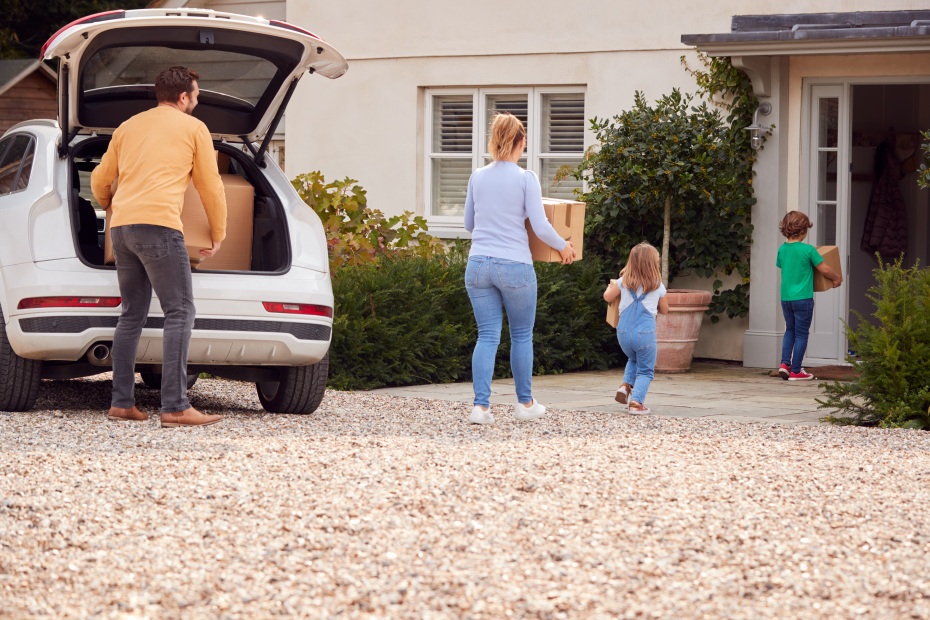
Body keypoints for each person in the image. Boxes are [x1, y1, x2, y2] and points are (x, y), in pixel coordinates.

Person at [91, 66, 227, 427]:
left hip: (120, 228)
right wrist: (219, 232)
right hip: (160, 228)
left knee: (131, 314)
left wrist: (107, 202)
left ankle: (122, 402)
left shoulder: (128, 126)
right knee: (180, 311)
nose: (197, 102)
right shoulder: (193, 129)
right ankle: (175, 406)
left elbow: (100, 178)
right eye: (195, 96)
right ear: (183, 97)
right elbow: (209, 184)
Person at [463, 112, 576, 425]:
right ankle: (525, 404)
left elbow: (469, 224)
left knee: (486, 336)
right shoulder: (526, 178)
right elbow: (540, 226)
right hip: (514, 266)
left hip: (477, 265)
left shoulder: (477, 176)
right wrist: (563, 246)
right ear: (521, 142)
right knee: (522, 335)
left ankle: (481, 408)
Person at [776, 210, 842, 381]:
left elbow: (783, 267)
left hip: (786, 299)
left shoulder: (782, 250)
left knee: (789, 330)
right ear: (803, 231)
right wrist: (836, 278)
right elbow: (825, 269)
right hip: (803, 299)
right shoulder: (808, 250)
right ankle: (796, 370)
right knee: (802, 333)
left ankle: (784, 364)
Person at [603, 242, 668, 414]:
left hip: (623, 333)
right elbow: (665, 309)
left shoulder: (623, 282)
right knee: (646, 370)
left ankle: (625, 386)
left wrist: (610, 287)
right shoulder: (657, 285)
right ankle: (636, 403)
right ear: (653, 263)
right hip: (645, 335)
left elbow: (607, 297)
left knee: (633, 359)